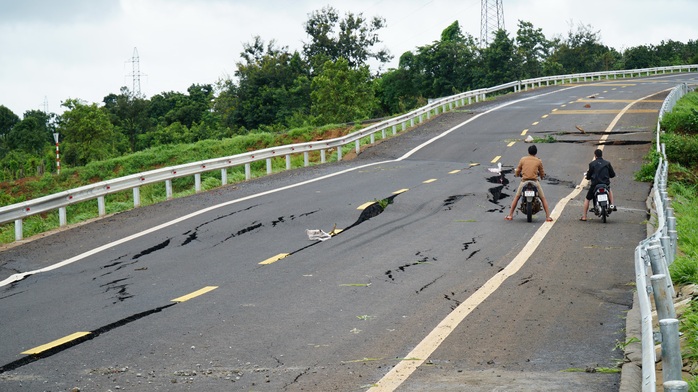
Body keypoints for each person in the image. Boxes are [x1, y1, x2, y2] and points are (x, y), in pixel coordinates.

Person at [505, 145, 553, 222]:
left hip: (524, 181)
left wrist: (517, 175)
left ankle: (510, 215)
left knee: (517, 197)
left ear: (528, 152)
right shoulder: (538, 160)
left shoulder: (523, 159)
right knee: (543, 198)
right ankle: (548, 217)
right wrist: (542, 177)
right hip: (535, 182)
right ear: (536, 152)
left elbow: (518, 170)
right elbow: (541, 172)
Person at [581, 148, 616, 221]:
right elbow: (612, 174)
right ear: (601, 155)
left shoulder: (592, 164)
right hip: (605, 184)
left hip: (595, 185)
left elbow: (589, 175)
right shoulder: (607, 163)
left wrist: (588, 177)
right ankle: (612, 204)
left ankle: (584, 216)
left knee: (587, 199)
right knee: (609, 190)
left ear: (595, 155)